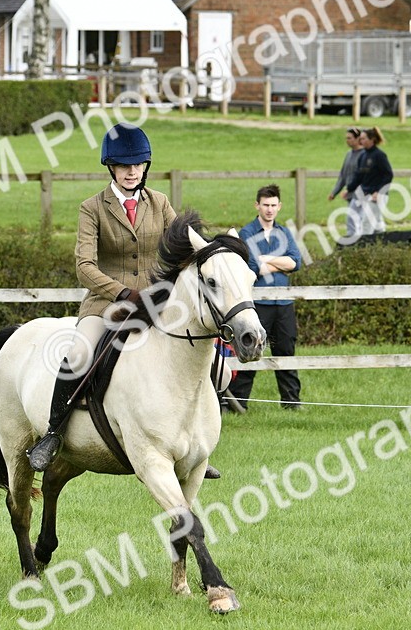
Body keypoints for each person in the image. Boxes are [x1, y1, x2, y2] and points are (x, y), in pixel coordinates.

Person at [26, 124, 221, 478]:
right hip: (106, 304)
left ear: (145, 166)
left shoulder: (160, 203)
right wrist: (120, 292)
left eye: (138, 165)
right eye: (124, 165)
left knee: (198, 352)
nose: (132, 172)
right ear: (110, 167)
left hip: (158, 305)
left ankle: (193, 442)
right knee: (79, 352)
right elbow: (84, 266)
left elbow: (183, 246)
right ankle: (54, 433)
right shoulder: (92, 208)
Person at [227, 184, 303, 411]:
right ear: (257, 205)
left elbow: (296, 262)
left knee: (287, 352)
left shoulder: (284, 232)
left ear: (279, 207)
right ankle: (238, 404)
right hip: (258, 304)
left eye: (273, 205)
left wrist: (266, 259)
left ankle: (291, 403)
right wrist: (280, 263)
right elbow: (252, 268)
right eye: (265, 205)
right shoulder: (247, 233)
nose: (269, 209)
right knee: (250, 351)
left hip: (284, 304)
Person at [346, 126, 393, 240]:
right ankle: (384, 246)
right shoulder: (363, 155)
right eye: (360, 139)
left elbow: (388, 175)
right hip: (365, 193)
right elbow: (359, 175)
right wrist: (349, 188)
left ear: (372, 140)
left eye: (363, 139)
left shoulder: (379, 155)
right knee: (376, 225)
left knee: (367, 225)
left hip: (376, 195)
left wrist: (379, 192)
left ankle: (364, 252)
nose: (361, 141)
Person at [328, 127, 365, 239]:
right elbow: (343, 175)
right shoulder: (349, 154)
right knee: (354, 219)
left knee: (355, 219)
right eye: (346, 138)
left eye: (349, 138)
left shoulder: (364, 154)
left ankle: (354, 241)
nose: (347, 140)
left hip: (362, 194)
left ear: (358, 138)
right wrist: (334, 192)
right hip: (350, 194)